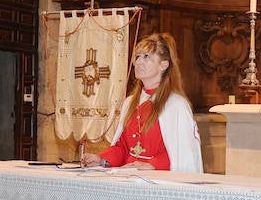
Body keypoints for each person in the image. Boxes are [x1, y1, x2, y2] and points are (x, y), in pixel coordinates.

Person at [81, 32, 203, 173]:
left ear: (163, 65)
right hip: (129, 179)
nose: (138, 62)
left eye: (146, 57)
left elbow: (183, 153)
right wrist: (101, 159)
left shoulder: (176, 105)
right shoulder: (130, 102)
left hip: (159, 181)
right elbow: (123, 147)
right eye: (137, 57)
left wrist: (151, 165)